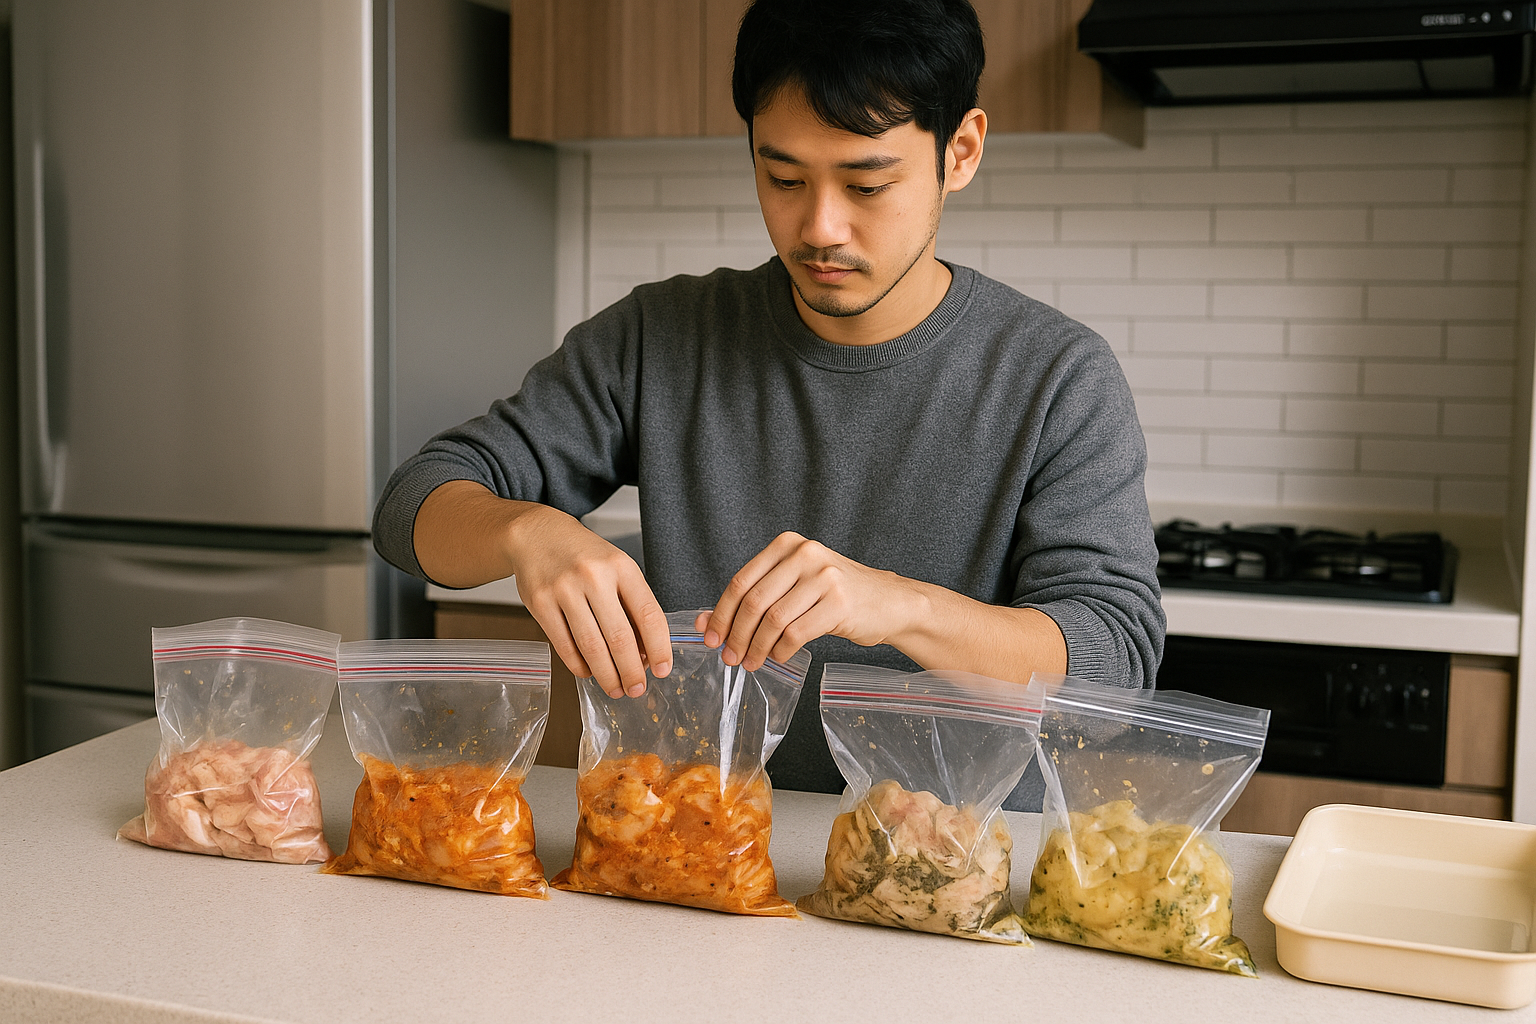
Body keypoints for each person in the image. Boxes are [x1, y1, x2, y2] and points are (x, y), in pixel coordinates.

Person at [372, 0, 1164, 805]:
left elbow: (1115, 671)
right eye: (783, 177)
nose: (820, 226)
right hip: (700, 853)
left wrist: (899, 607)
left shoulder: (1057, 376)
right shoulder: (663, 337)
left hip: (947, 879)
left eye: (866, 182)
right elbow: (412, 504)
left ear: (959, 152)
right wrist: (526, 532)